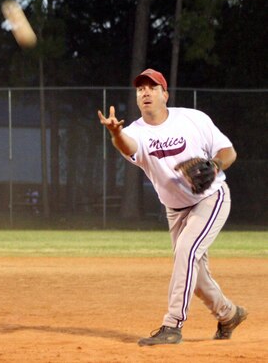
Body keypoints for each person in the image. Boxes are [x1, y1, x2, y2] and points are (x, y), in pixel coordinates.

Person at [97, 68, 247, 346]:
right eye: (140, 88)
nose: (145, 92)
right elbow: (127, 145)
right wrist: (115, 133)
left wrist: (215, 165)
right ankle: (229, 314)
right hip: (175, 210)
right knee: (195, 275)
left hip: (210, 199)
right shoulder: (134, 132)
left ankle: (172, 325)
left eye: (152, 87)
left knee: (185, 252)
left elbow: (229, 152)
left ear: (164, 94)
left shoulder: (193, 119)